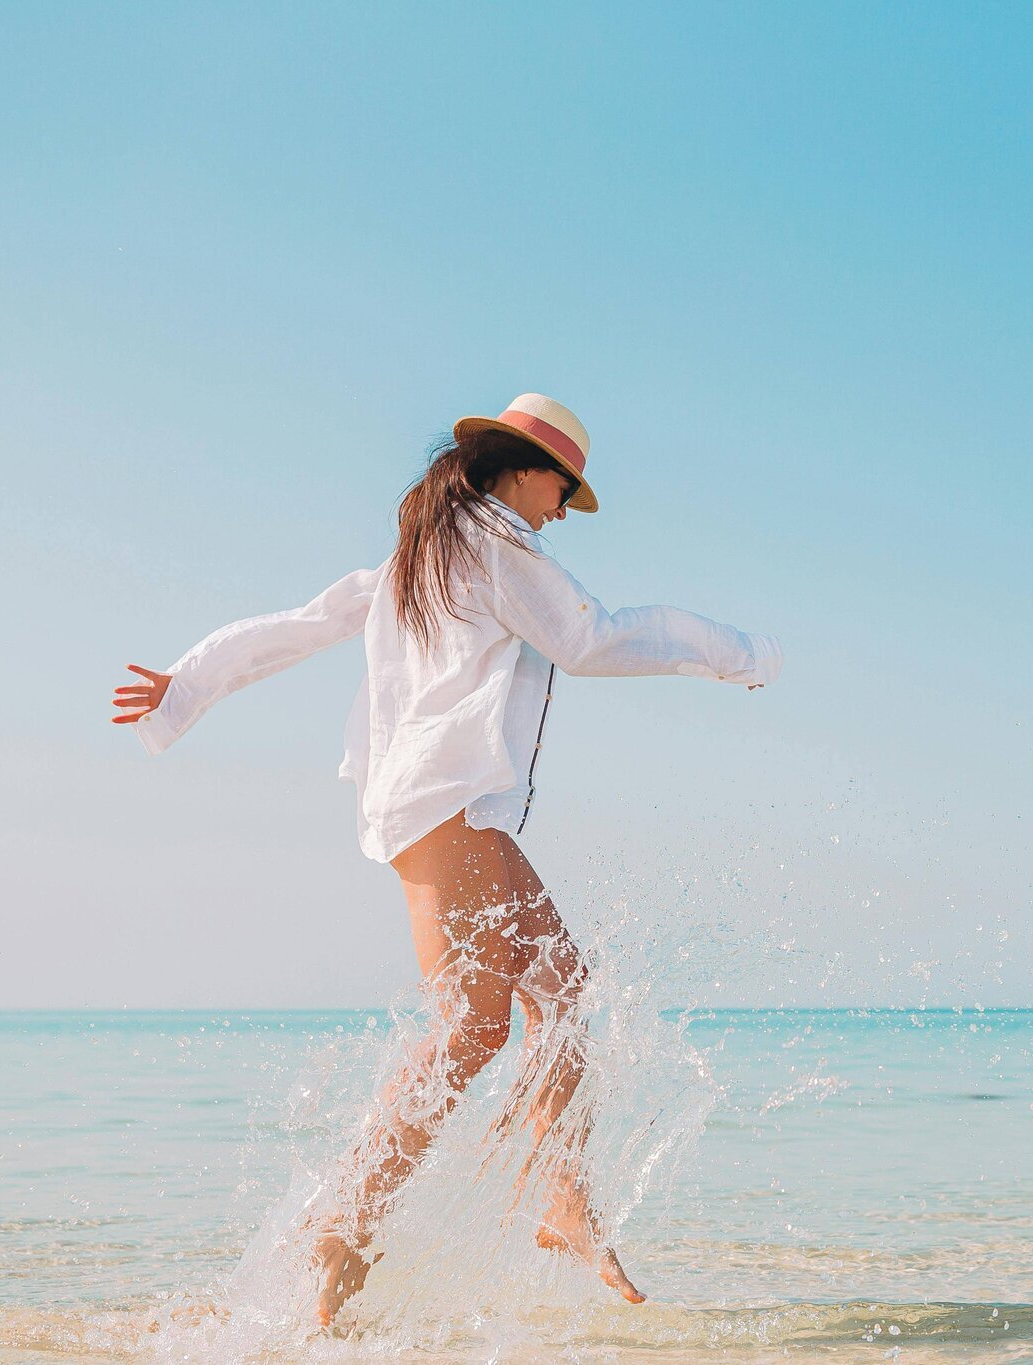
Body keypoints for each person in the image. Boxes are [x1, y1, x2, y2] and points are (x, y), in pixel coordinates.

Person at [110, 393, 781, 1326]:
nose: (563, 507)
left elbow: (302, 623)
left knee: (566, 991)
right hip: (441, 803)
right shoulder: (495, 543)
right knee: (472, 1026)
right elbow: (590, 637)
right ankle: (346, 1219)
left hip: (458, 806)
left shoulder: (429, 547)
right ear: (521, 466)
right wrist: (743, 654)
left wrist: (187, 684)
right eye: (564, 486)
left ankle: (560, 1195)